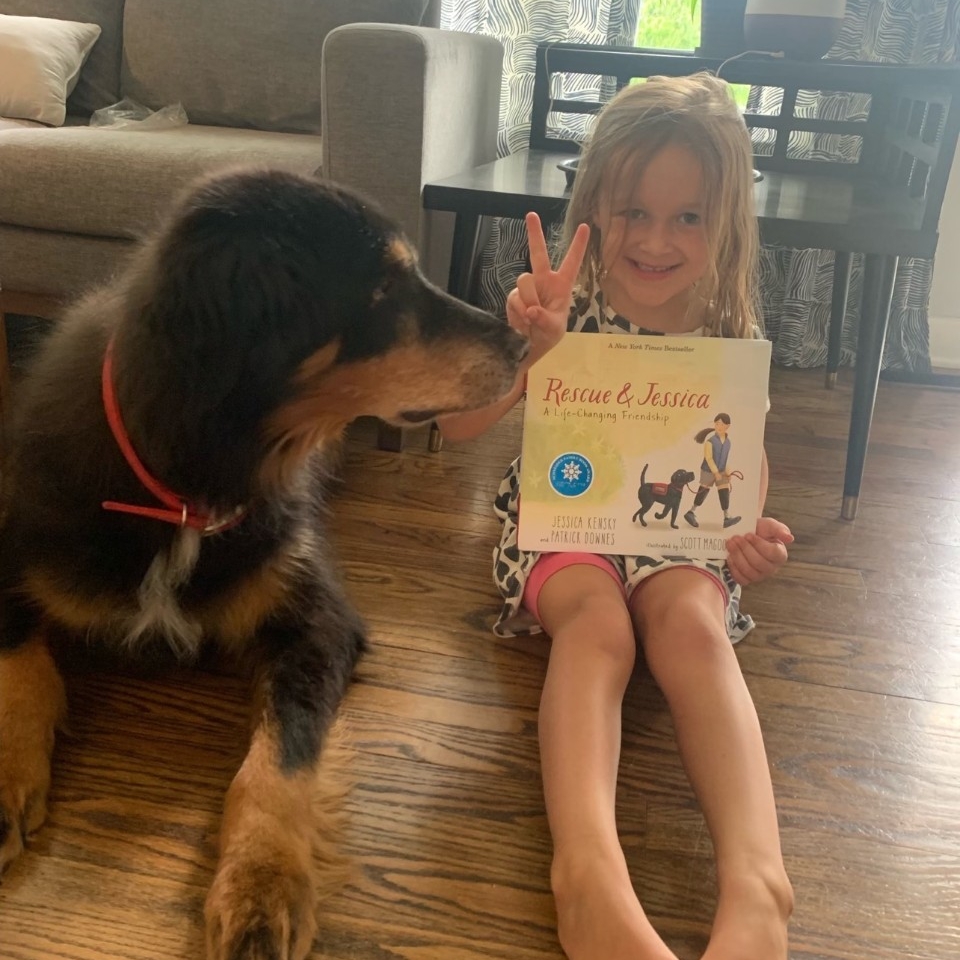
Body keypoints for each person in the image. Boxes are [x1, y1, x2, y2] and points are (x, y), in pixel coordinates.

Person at [439, 72, 794, 960]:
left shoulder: (727, 321)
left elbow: (744, 456)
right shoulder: (561, 304)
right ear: (594, 204)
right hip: (570, 528)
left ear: (727, 223)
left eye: (688, 217)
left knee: (692, 628)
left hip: (679, 537)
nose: (656, 240)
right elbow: (457, 427)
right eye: (634, 211)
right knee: (597, 630)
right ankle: (588, 874)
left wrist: (749, 528)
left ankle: (760, 883)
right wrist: (526, 351)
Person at [685, 413, 742, 529]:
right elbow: (709, 458)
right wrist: (715, 473)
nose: (718, 426)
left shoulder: (728, 443)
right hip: (708, 470)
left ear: (727, 426)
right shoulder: (709, 442)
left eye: (721, 424)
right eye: (716, 424)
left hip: (721, 470)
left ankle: (727, 517)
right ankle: (691, 512)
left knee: (724, 490)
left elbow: (725, 459)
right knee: (704, 490)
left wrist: (727, 472)